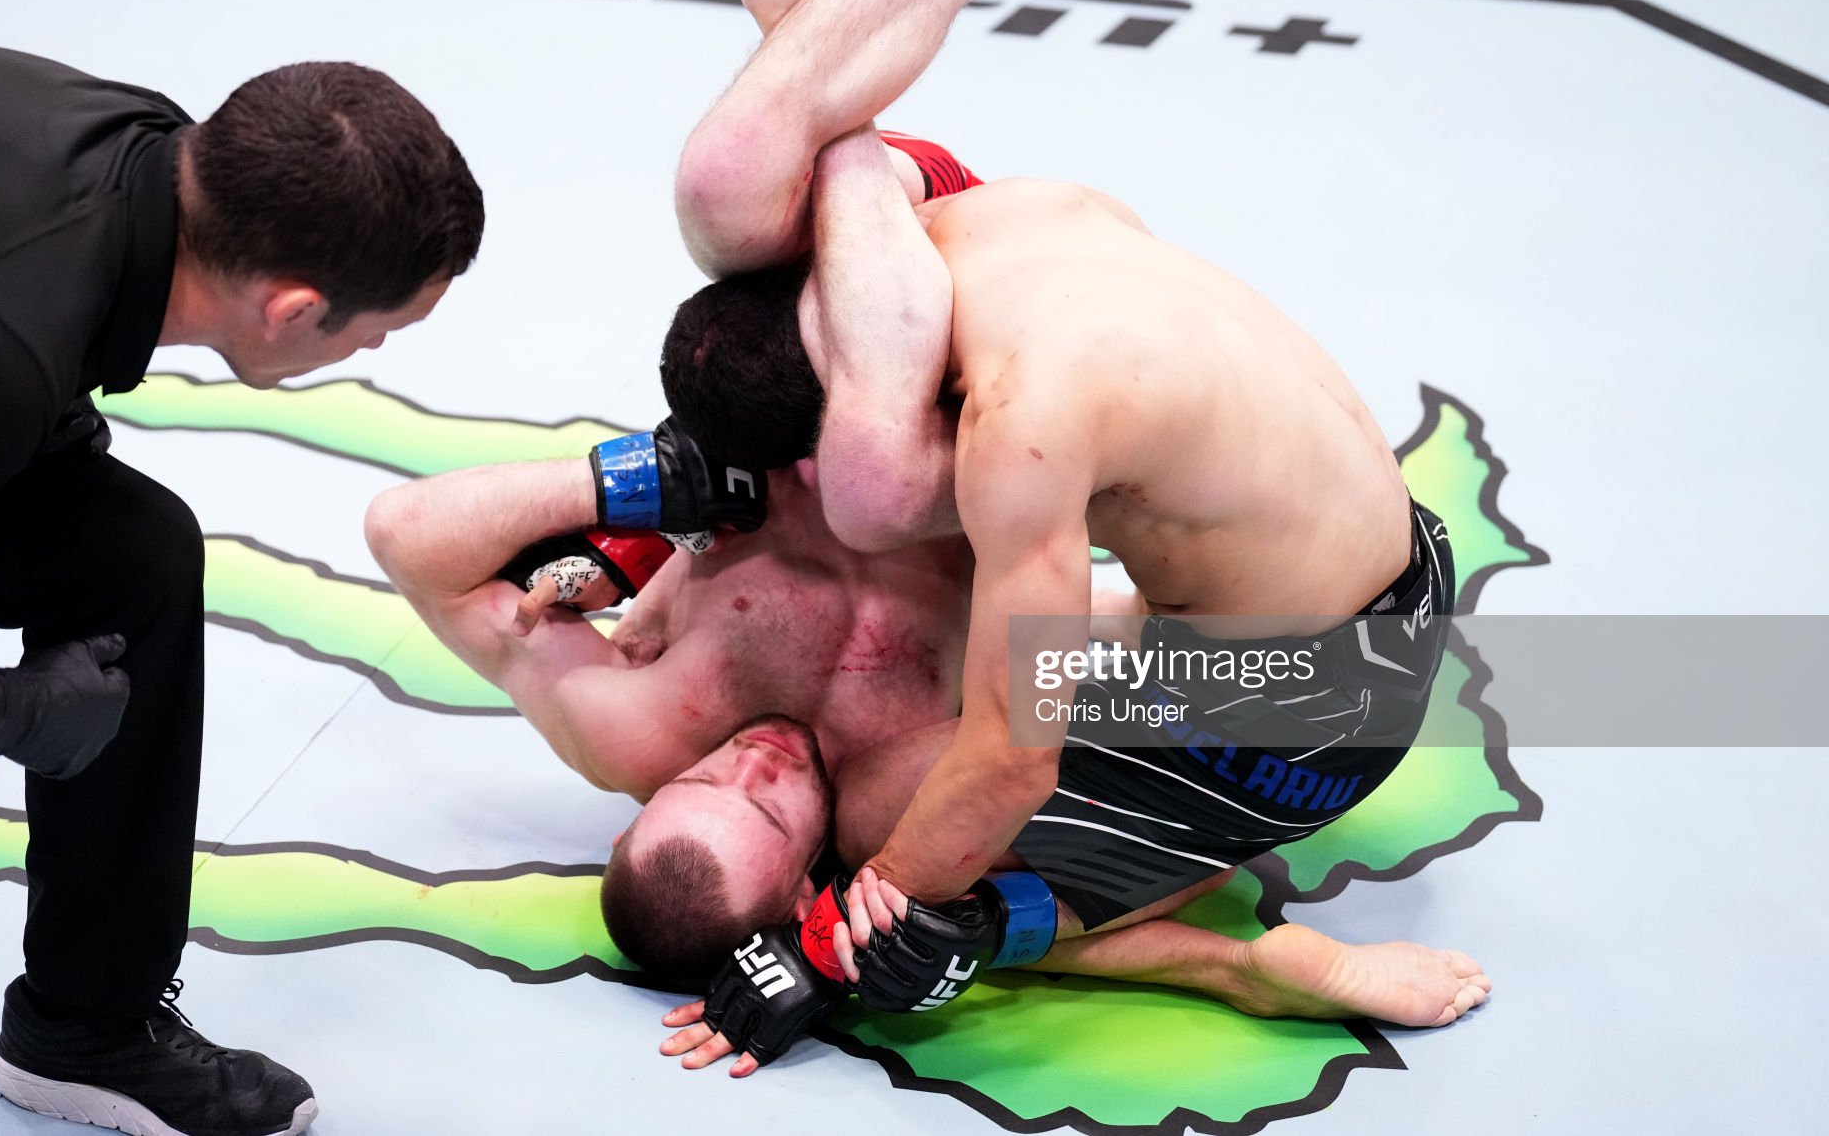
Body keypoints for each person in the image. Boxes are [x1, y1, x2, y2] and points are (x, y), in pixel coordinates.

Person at [653, 0, 1467, 1055]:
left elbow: (1008, 758)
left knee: (905, 842)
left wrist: (828, 941)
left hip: (1316, 708)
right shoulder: (998, 216)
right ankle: (853, 4)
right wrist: (810, 53)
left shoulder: (1018, 427)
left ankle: (1231, 969)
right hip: (1350, 566)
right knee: (741, 191)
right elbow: (809, 185)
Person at [0, 39, 483, 1136]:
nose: (378, 348)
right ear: (292, 310)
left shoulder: (151, 151)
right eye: (379, 328)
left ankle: (86, 1024)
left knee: (129, 559)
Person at [365, 436, 1490, 1081]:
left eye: (700, 780)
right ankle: (1240, 972)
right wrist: (867, 946)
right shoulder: (902, 801)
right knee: (967, 887)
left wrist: (637, 492)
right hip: (1034, 460)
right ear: (802, 882)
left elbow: (406, 535)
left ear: (643, 804)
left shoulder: (632, 726)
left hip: (806, 374)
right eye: (768, 807)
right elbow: (1175, 847)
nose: (752, 758)